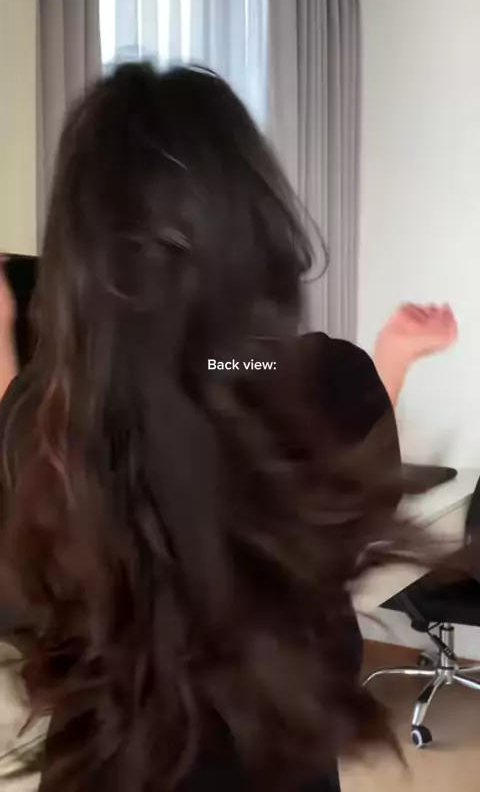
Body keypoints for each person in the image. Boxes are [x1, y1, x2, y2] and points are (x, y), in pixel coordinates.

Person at [0, 63, 455, 792]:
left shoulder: (39, 412)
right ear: (251, 226)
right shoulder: (321, 377)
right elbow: (319, 444)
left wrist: (8, 339)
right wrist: (391, 358)